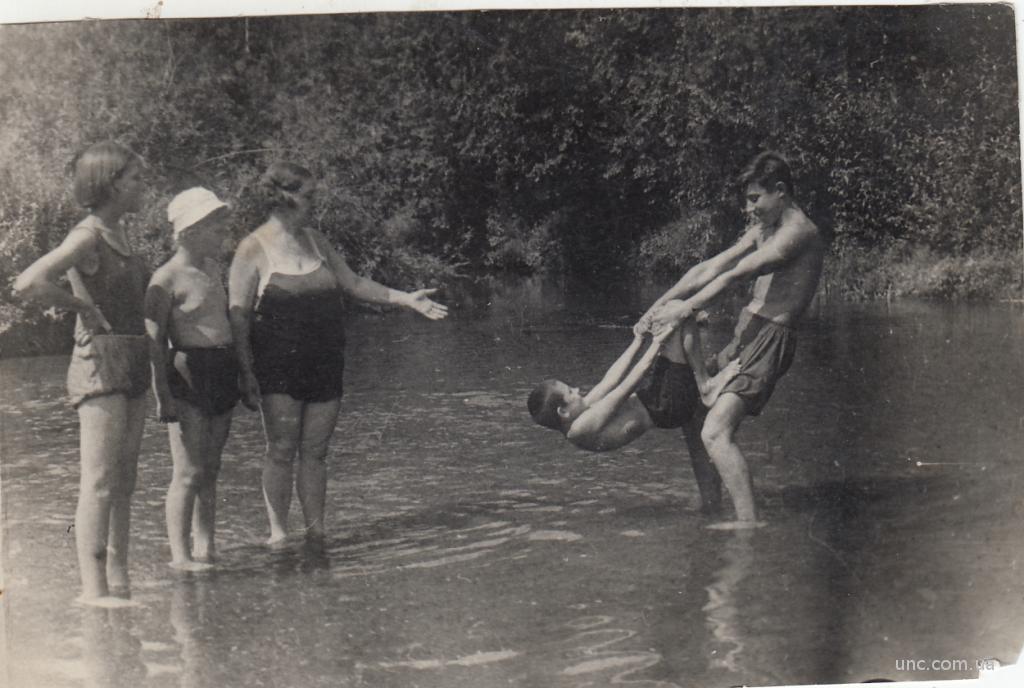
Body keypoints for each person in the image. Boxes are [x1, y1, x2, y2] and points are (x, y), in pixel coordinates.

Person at [228, 162, 448, 547]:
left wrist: (404, 299)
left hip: (325, 361)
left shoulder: (317, 240)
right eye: (309, 196)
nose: (315, 203)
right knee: (280, 449)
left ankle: (317, 533)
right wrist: (245, 372)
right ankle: (278, 535)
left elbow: (354, 283)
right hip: (277, 366)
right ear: (284, 198)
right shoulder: (251, 248)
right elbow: (238, 316)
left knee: (315, 451)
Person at [639, 151, 826, 527]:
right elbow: (709, 268)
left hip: (771, 338)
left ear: (781, 192)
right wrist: (656, 307)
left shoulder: (798, 233)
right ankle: (710, 504)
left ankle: (748, 526)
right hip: (747, 331)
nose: (748, 208)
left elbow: (738, 274)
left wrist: (685, 309)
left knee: (716, 431)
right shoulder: (765, 229)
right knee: (693, 410)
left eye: (754, 199)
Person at [14, 141, 149, 604]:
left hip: (132, 357)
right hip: (98, 362)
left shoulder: (120, 234)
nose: (142, 186)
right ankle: (93, 590)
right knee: (99, 479)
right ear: (112, 185)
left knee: (126, 478)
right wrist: (79, 306)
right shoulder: (87, 236)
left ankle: (121, 582)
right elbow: (28, 282)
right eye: (135, 179)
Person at [528, 318, 740, 513]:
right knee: (680, 317)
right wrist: (656, 344)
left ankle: (708, 375)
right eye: (570, 392)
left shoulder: (579, 413)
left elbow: (609, 380)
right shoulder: (580, 428)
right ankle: (706, 383)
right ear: (563, 411)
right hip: (667, 406)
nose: (576, 389)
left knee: (672, 315)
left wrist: (638, 341)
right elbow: (626, 386)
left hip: (659, 397)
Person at [145, 187, 237, 571]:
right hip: (188, 373)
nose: (222, 234)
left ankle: (206, 547)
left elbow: (225, 322)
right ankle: (180, 557)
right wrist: (162, 395)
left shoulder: (215, 269)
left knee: (211, 468)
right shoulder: (165, 279)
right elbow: (154, 344)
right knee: (188, 471)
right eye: (215, 227)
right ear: (190, 231)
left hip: (222, 369)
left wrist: (244, 375)